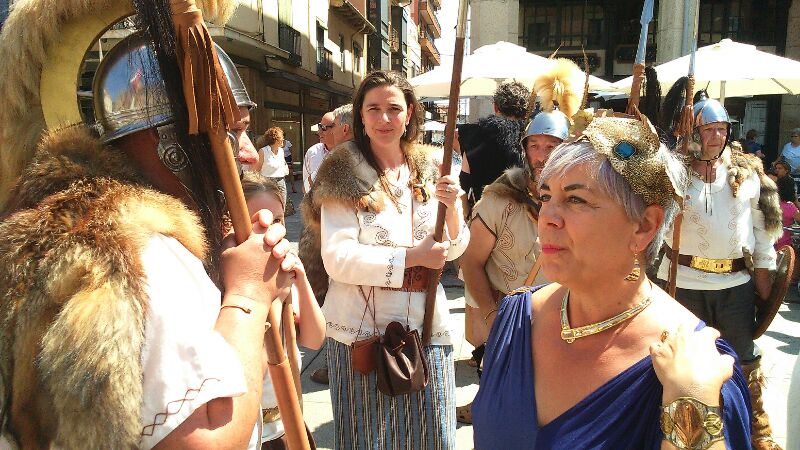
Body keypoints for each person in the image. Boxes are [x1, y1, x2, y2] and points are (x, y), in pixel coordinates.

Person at [0, 4, 296, 446]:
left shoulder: (62, 225)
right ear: (169, 141)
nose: (249, 153)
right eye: (231, 132)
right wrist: (249, 296)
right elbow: (206, 442)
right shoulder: (140, 252)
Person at [472, 114, 753, 449]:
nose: (547, 217)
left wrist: (689, 402)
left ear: (644, 226)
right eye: (546, 197)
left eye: (576, 199)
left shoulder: (700, 368)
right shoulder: (517, 317)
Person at [301, 70, 468, 448]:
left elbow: (453, 250)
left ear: (409, 114)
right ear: (360, 116)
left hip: (426, 327)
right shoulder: (343, 169)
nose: (384, 118)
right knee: (368, 440)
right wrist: (412, 257)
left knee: (433, 436)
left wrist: (453, 209)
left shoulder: (431, 167)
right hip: (361, 331)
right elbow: (337, 257)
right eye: (373, 109)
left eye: (394, 108)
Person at [457, 58, 584, 424]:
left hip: (565, 322)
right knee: (504, 416)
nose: (541, 156)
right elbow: (470, 261)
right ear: (525, 148)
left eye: (552, 146)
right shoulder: (500, 199)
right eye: (535, 145)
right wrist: (491, 316)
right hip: (509, 321)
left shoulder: (585, 201)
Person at [656, 91, 784, 450]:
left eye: (722, 129)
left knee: (743, 359)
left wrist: (765, 275)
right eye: (708, 129)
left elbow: (764, 231)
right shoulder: (673, 171)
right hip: (681, 283)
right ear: (694, 133)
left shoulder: (748, 173)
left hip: (735, 285)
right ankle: (682, 437)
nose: (717, 136)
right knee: (682, 364)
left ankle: (758, 433)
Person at [241, 172, 325, 449]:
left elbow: (314, 339)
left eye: (277, 220)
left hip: (288, 424)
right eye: (258, 221)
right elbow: (256, 364)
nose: (270, 230)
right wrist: (271, 297)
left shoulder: (286, 272)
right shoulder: (231, 281)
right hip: (253, 433)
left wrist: (301, 280)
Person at [303, 103, 354, 385]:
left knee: (336, 307)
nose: (322, 132)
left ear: (344, 129)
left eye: (328, 127)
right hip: (324, 244)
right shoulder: (324, 155)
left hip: (337, 254)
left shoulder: (345, 161)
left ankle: (336, 364)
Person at [457, 81, 529, 208]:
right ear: (525, 111)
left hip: (483, 211)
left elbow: (465, 180)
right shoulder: (532, 137)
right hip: (521, 213)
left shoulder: (472, 135)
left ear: (495, 107)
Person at [256, 127, 290, 205]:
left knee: (282, 205)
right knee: (268, 206)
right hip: (267, 183)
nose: (283, 139)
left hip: (281, 181)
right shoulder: (263, 151)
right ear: (275, 139)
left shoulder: (281, 151)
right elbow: (257, 170)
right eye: (281, 137)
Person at [302, 112, 335, 193]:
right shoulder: (312, 152)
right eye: (319, 127)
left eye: (323, 128)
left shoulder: (353, 153)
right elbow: (306, 188)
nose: (318, 132)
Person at [775, 175, 800, 249]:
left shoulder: (770, 204)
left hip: (770, 244)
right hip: (784, 246)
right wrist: (797, 202)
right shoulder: (790, 207)